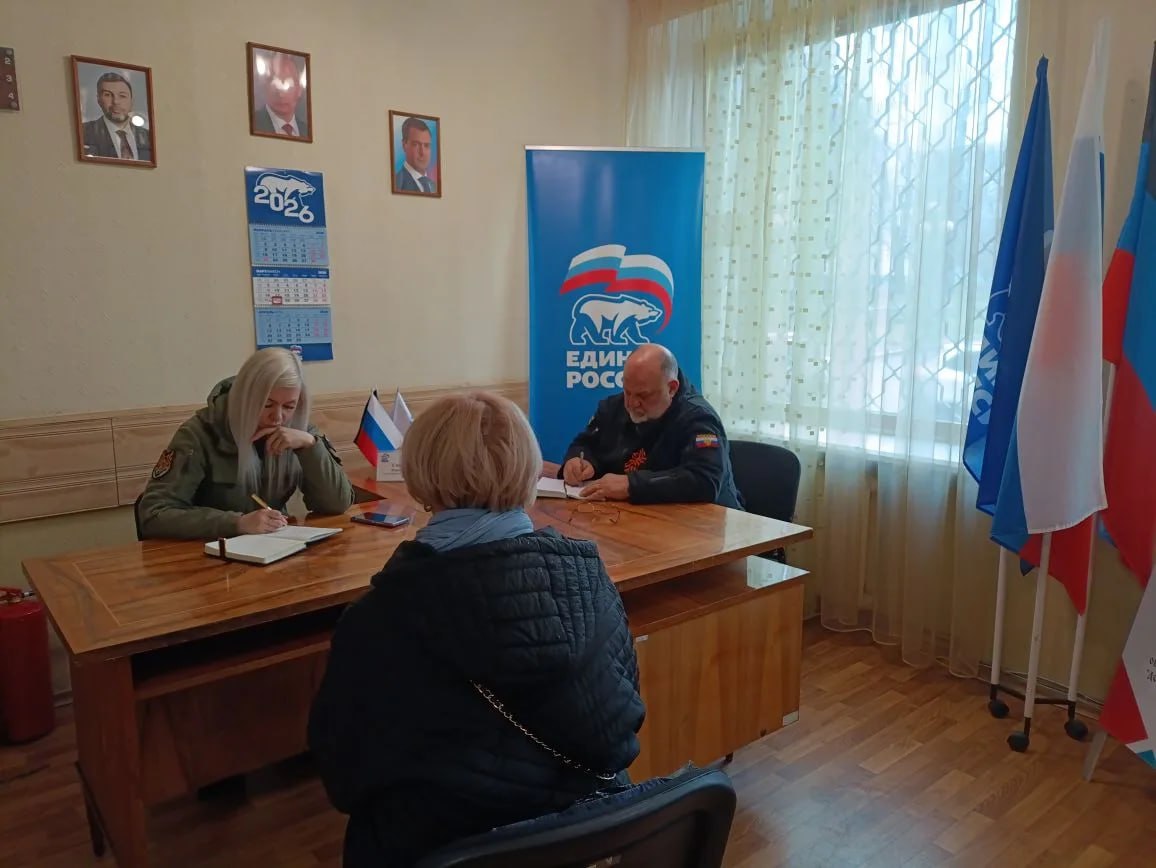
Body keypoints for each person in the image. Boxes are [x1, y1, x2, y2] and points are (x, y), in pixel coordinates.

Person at [308, 391, 645, 867]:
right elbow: (622, 732)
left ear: (420, 478)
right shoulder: (592, 579)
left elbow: (345, 781)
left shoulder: (376, 619)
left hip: (445, 851)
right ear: (528, 470)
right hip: (595, 840)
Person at [137, 347, 354, 540]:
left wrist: (310, 446)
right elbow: (154, 515)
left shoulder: (299, 431)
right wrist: (237, 523)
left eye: (289, 406)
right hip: (208, 554)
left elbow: (337, 504)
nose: (278, 417)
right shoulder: (199, 433)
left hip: (274, 548)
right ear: (245, 397)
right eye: (267, 404)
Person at [561, 344, 744, 508]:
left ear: (671, 388)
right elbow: (585, 443)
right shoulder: (612, 407)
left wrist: (631, 485)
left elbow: (704, 480)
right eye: (627, 391)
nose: (631, 404)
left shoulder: (699, 418)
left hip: (706, 524)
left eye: (643, 396)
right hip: (637, 516)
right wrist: (579, 460)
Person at [81, 71, 152, 161]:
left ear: (132, 100)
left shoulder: (148, 137)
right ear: (98, 99)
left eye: (122, 96)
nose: (116, 101)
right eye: (108, 95)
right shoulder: (84, 132)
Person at [252, 52, 309, 137]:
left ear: (299, 89)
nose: (281, 94)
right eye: (274, 83)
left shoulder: (307, 131)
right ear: (265, 85)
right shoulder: (252, 122)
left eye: (288, 83)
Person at [394, 116, 436, 194]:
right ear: (404, 145)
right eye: (416, 144)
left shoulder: (434, 187)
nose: (422, 152)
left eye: (426, 145)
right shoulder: (397, 184)